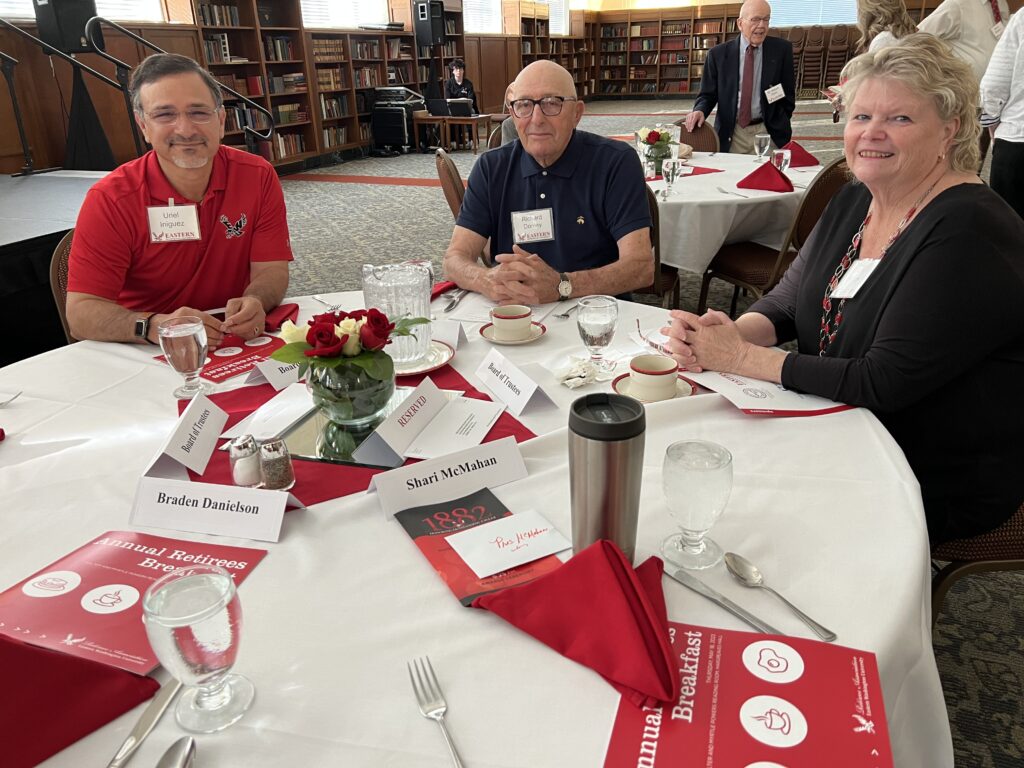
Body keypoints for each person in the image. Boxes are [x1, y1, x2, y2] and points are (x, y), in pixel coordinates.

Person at [662, 34, 1024, 545]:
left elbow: (883, 382)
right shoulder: (857, 199)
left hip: (925, 466)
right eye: (861, 117)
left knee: (746, 515)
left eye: (899, 118)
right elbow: (791, 296)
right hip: (838, 422)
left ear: (950, 130)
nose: (872, 134)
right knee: (696, 463)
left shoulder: (970, 230)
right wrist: (735, 329)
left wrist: (740, 359)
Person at [66, 53, 292, 348]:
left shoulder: (257, 175)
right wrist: (152, 325)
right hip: (146, 346)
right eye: (164, 115)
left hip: (231, 337)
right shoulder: (111, 199)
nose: (185, 130)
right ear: (143, 126)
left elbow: (271, 270)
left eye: (199, 113)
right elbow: (80, 313)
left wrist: (256, 299)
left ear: (221, 120)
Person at [443, 60, 653, 305]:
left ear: (577, 113)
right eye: (524, 105)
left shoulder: (615, 162)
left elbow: (640, 267)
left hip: (595, 319)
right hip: (515, 320)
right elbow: (453, 259)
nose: (536, 118)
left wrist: (562, 285)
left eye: (552, 103)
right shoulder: (491, 168)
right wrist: (485, 279)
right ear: (512, 113)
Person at [684, 0, 794, 154]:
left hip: (769, 132)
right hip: (733, 133)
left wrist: (781, 118)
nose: (762, 25)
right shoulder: (718, 55)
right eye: (755, 19)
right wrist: (700, 110)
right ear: (740, 23)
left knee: (771, 177)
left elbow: (788, 93)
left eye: (766, 19)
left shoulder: (781, 50)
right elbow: (707, 94)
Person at [981, 8, 1024, 219]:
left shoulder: (1022, 17)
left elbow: (993, 84)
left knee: (1009, 232)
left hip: (1016, 138)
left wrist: (994, 130)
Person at [917, 0, 1010, 82]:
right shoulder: (957, 4)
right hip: (964, 93)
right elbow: (916, 39)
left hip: (993, 90)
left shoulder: (1001, 3)